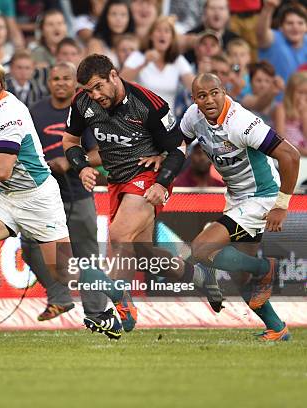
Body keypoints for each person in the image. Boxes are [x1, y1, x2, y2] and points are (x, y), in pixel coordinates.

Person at [0, 57, 131, 343]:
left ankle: (116, 293)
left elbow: (1, 167)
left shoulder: (10, 113)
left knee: (65, 273)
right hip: (5, 195)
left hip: (38, 198)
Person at [61, 54, 222, 328]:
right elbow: (70, 140)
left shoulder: (149, 103)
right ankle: (200, 277)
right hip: (116, 179)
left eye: (99, 86)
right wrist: (81, 167)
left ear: (114, 75)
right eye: (89, 90)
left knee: (119, 234)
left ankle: (122, 307)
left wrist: (162, 183)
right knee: (145, 253)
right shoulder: (82, 102)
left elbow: (178, 148)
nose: (95, 95)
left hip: (149, 175)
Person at [180, 73, 300, 341]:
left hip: (262, 196)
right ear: (194, 99)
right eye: (202, 95)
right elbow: (181, 141)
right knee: (242, 278)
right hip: (236, 196)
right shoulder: (193, 116)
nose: (209, 99)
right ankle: (278, 329)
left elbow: (290, 155)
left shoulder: (242, 123)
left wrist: (281, 205)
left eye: (214, 93)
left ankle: (264, 268)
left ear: (224, 92)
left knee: (201, 249)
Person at [22, 61, 109, 322]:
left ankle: (96, 313)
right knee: (30, 248)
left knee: (86, 255)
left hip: (78, 193)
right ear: (48, 83)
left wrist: (71, 161)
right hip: (43, 197)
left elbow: (101, 153)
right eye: (55, 78)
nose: (60, 83)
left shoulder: (87, 111)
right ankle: (59, 297)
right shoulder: (34, 112)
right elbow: (23, 149)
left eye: (66, 78)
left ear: (75, 83)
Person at [121, 16, 195, 115]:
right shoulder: (138, 56)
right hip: (141, 119)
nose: (162, 35)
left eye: (166, 31)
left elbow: (194, 86)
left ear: (172, 38)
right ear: (151, 35)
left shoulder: (178, 60)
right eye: (158, 30)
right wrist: (144, 63)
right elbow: (121, 80)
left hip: (167, 121)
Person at [256, 0, 307, 84]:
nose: (295, 27)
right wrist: (268, 8)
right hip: (274, 96)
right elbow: (261, 34)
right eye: (290, 23)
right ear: (281, 27)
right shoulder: (274, 39)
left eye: (300, 23)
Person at [184, 0, 240, 64]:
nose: (217, 13)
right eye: (212, 8)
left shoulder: (235, 40)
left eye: (221, 8)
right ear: (204, 11)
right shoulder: (190, 38)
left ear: (228, 12)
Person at [87, 0, 135, 66]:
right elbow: (96, 71)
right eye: (113, 14)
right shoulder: (96, 43)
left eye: (123, 15)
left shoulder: (135, 40)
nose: (118, 19)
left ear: (129, 18)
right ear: (105, 17)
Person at [272, 71, 307, 156]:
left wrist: (304, 113)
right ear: (290, 92)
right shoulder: (281, 108)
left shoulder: (304, 111)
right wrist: (300, 151)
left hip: (302, 147)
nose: (303, 97)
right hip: (288, 149)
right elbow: (280, 138)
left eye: (306, 93)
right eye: (300, 92)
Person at [241, 61, 284, 126]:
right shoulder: (246, 99)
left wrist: (283, 88)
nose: (263, 85)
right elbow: (258, 104)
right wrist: (271, 92)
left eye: (267, 81)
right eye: (259, 80)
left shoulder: (277, 105)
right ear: (250, 82)